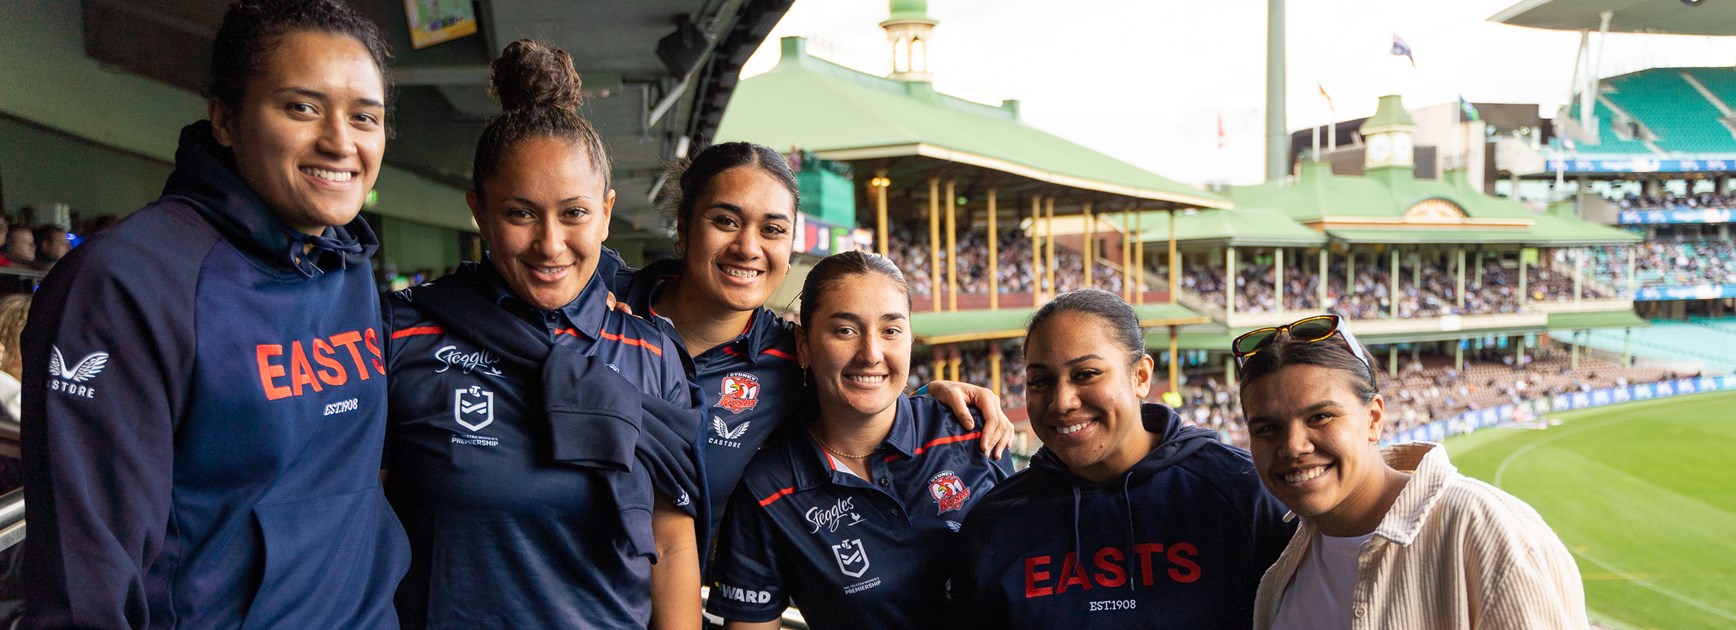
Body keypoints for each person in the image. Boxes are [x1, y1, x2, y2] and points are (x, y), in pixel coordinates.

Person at [19, 0, 407, 626]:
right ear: (226, 118)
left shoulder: (348, 263)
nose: (341, 141)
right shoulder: (126, 284)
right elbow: (84, 581)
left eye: (366, 117)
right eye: (303, 107)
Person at [382, 39, 702, 629]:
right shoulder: (403, 333)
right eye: (520, 213)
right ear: (479, 210)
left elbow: (673, 541)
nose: (550, 245)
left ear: (606, 212)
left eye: (574, 214)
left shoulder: (652, 353)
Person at [599, 142, 1013, 539]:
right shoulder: (596, 297)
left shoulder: (790, 361)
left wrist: (926, 396)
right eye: (725, 220)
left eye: (773, 229)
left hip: (661, 600)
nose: (747, 247)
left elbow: (864, 394)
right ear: (686, 225)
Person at [950, 289, 1292, 629]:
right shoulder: (995, 525)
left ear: (1141, 376)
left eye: (1086, 374)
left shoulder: (1241, 490)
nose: (1061, 402)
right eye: (1040, 381)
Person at [706, 251, 1009, 629]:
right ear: (803, 343)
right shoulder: (767, 489)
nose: (871, 354)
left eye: (891, 330)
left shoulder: (973, 433)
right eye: (845, 330)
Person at [1233, 314, 1586, 628]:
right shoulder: (1285, 567)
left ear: (1373, 419)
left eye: (1320, 417)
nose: (1293, 446)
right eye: (1267, 428)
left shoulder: (1486, 529)